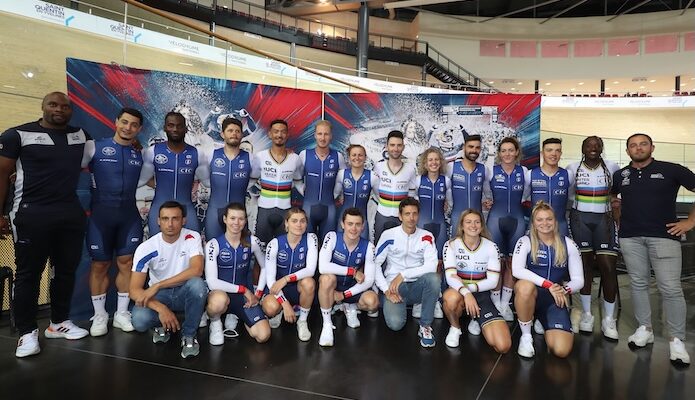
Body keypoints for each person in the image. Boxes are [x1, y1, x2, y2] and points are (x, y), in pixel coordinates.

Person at [1, 92, 92, 358]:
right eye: (53, 105)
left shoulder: (80, 135)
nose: (59, 109)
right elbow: (2, 174)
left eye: (65, 106)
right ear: (43, 107)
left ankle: (58, 323)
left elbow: (98, 153)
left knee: (65, 271)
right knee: (29, 274)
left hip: (69, 214)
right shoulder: (17, 135)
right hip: (31, 215)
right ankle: (27, 332)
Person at [611, 133, 695, 366]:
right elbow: (613, 196)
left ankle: (676, 339)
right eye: (633, 146)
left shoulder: (672, 170)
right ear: (627, 151)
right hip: (630, 238)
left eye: (643, 144)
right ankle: (644, 328)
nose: (638, 148)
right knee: (638, 283)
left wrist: (689, 222)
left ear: (652, 147)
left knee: (670, 288)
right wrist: (618, 215)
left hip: (664, 237)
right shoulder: (621, 175)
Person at [82, 107, 145, 337]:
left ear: (139, 129)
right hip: (101, 216)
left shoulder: (140, 154)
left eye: (134, 125)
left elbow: (151, 179)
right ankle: (100, 315)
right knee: (100, 265)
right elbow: (67, 167)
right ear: (116, 121)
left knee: (127, 263)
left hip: (129, 216)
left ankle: (121, 313)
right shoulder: (93, 147)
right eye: (124, 122)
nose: (128, 128)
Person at [130, 201, 207, 359]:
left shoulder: (192, 237)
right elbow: (134, 290)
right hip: (160, 297)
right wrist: (161, 309)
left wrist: (158, 285)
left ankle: (189, 335)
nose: (170, 224)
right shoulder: (146, 248)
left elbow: (197, 270)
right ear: (158, 221)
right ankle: (162, 323)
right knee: (139, 320)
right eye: (165, 219)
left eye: (175, 218)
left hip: (183, 291)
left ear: (183, 220)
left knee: (197, 285)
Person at [512, 201, 584, 359]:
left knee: (561, 351)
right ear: (533, 223)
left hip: (554, 298)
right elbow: (517, 270)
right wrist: (548, 284)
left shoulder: (568, 244)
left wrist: (563, 290)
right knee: (524, 287)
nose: (545, 223)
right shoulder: (525, 241)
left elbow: (579, 280)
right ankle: (526, 336)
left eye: (549, 219)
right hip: (531, 294)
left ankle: (542, 320)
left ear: (555, 221)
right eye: (540, 219)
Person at [566, 136, 620, 339]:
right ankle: (587, 314)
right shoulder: (573, 168)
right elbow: (569, 194)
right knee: (584, 267)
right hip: (580, 219)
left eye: (597, 145)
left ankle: (609, 319)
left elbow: (616, 193)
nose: (593, 148)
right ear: (583, 149)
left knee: (608, 267)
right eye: (589, 145)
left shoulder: (612, 167)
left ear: (601, 148)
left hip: (603, 221)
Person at [442, 209, 511, 353]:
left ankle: (476, 319)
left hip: (482, 296)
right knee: (450, 298)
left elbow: (493, 282)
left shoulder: (491, 247)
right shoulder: (451, 245)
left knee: (503, 346)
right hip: (459, 294)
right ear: (462, 226)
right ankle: (455, 328)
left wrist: (469, 290)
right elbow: (450, 278)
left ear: (482, 225)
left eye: (477, 222)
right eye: (468, 222)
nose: (473, 226)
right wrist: (466, 293)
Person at [374, 197, 440, 348]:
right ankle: (408, 304)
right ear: (400, 216)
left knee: (434, 279)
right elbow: (375, 264)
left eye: (414, 214)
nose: (411, 218)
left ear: (419, 215)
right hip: (395, 287)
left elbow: (432, 266)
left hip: (417, 284)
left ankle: (425, 326)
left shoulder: (426, 236)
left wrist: (404, 274)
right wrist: (386, 290)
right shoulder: (388, 235)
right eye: (407, 214)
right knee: (395, 324)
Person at [204, 202, 270, 344]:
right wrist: (243, 290)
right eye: (232, 218)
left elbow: (265, 267)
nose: (236, 223)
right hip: (221, 294)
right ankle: (215, 322)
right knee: (218, 302)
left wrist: (258, 293)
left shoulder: (253, 241)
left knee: (263, 335)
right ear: (225, 219)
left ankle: (237, 314)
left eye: (240, 219)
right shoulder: (213, 245)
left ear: (245, 221)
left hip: (243, 298)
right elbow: (212, 282)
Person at [317, 208, 379, 346]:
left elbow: (369, 280)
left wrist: (344, 295)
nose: (353, 228)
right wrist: (352, 272)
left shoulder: (369, 247)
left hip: (351, 290)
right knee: (326, 279)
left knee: (373, 302)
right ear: (342, 224)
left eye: (357, 224)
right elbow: (322, 267)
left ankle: (349, 306)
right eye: (350, 224)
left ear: (363, 227)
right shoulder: (332, 237)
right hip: (332, 288)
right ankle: (327, 325)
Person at [139, 112, 208, 235]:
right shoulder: (152, 151)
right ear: (165, 128)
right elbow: (141, 180)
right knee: (158, 246)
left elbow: (208, 182)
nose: (175, 129)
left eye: (179, 126)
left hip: (186, 210)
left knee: (193, 245)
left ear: (186, 129)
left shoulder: (197, 154)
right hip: (159, 208)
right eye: (171, 125)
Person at [485, 137, 531, 321]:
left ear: (517, 152)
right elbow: (485, 193)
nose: (507, 154)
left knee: (512, 263)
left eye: (511, 150)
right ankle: (495, 304)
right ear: (499, 153)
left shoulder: (524, 172)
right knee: (496, 262)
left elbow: (526, 194)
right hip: (495, 220)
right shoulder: (491, 171)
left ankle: (505, 304)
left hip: (517, 221)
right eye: (503, 150)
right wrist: (487, 201)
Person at [261, 207, 318, 341]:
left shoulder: (311, 239)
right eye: (294, 221)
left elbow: (310, 270)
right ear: (287, 223)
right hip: (279, 289)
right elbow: (270, 280)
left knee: (309, 282)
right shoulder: (274, 244)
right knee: (270, 308)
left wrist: (286, 279)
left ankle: (302, 320)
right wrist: (285, 303)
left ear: (306, 224)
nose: (299, 225)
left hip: (298, 287)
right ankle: (280, 311)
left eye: (302, 221)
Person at [199, 117, 254, 240]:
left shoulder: (250, 158)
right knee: (212, 248)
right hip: (214, 212)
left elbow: (253, 179)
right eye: (230, 131)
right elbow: (205, 180)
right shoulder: (211, 154)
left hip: (239, 214)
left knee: (240, 249)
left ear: (242, 135)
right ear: (222, 134)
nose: (234, 134)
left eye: (237, 131)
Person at [411, 147, 450, 319]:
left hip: (440, 226)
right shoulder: (418, 180)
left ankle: (435, 300)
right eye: (430, 160)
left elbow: (450, 202)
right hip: (423, 226)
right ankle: (419, 301)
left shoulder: (446, 181)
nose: (433, 163)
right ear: (425, 164)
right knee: (420, 262)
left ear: (440, 162)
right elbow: (413, 203)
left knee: (438, 264)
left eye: (436, 159)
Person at [250, 119, 303, 245]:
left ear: (287, 135)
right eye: (276, 131)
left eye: (283, 132)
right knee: (260, 249)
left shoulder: (295, 159)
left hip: (285, 210)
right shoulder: (260, 156)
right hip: (264, 210)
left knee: (283, 249)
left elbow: (298, 182)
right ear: (270, 134)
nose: (279, 135)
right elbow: (251, 180)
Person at [297, 120, 345, 243]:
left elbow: (343, 179)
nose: (323, 138)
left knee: (327, 246)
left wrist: (335, 194)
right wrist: (303, 190)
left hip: (329, 209)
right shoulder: (304, 155)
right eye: (320, 134)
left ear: (331, 136)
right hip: (308, 207)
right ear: (315, 135)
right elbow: (296, 178)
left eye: (326, 134)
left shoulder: (338, 156)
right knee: (308, 245)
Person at [372, 130, 417, 244]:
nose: (395, 149)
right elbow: (376, 191)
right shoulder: (379, 167)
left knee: (401, 250)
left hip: (401, 218)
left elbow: (411, 197)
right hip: (382, 214)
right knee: (379, 249)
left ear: (403, 147)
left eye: (399, 145)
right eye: (392, 145)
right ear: (386, 146)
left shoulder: (410, 169)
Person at [333, 144, 379, 240]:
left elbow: (380, 199)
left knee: (363, 246)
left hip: (362, 221)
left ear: (365, 157)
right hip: (344, 219)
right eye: (354, 155)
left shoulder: (372, 176)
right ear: (349, 157)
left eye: (360, 155)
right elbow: (335, 195)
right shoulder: (342, 174)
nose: (357, 158)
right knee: (340, 244)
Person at [530, 138, 573, 237]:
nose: (554, 154)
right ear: (542, 153)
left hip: (560, 226)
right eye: (549, 150)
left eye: (557, 150)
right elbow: (524, 197)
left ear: (561, 153)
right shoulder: (530, 174)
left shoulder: (568, 175)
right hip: (537, 226)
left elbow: (571, 196)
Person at [447, 134, 486, 236]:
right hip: (457, 218)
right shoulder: (451, 167)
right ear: (464, 147)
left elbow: (489, 193)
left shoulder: (484, 169)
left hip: (477, 221)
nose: (474, 150)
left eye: (477, 148)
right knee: (456, 245)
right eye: (471, 147)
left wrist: (488, 201)